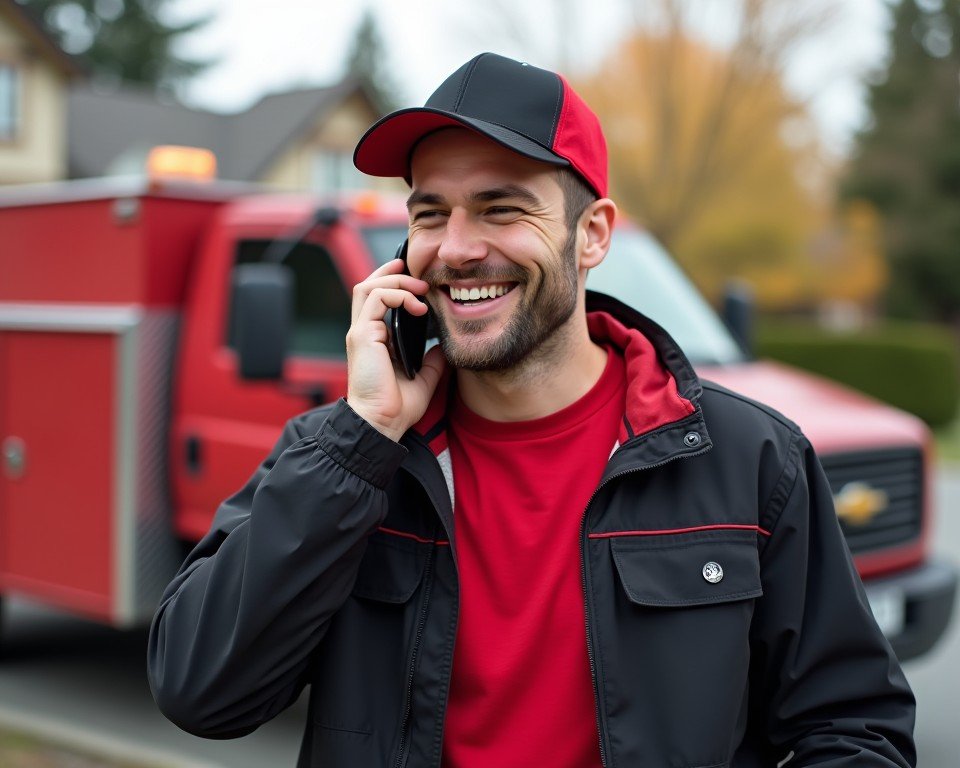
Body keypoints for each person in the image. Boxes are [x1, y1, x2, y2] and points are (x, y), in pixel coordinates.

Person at [148, 53, 916, 767]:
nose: (455, 248)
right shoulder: (341, 454)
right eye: (429, 213)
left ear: (592, 235)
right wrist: (363, 436)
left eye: (500, 208)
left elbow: (853, 727)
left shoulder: (752, 459)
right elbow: (201, 692)